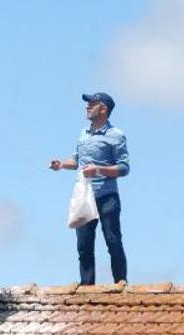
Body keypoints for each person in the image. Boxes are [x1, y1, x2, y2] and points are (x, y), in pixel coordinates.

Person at [50, 92, 130, 285]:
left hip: (106, 195)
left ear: (103, 108)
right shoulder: (83, 134)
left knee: (113, 240)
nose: (87, 107)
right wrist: (61, 164)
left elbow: (124, 168)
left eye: (92, 104)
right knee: (84, 245)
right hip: (84, 196)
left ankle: (120, 281)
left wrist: (99, 170)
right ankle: (87, 285)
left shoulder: (116, 135)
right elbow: (75, 161)